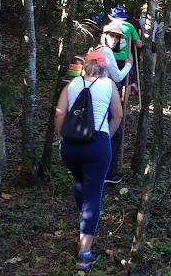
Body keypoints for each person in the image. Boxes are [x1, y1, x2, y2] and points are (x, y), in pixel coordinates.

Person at [55, 50, 123, 272]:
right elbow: (118, 115)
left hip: (71, 146)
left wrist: (61, 140)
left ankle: (83, 218)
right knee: (93, 196)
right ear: (103, 68)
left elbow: (59, 114)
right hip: (97, 145)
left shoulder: (71, 85)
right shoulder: (109, 85)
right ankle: (84, 254)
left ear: (85, 66)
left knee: (79, 180)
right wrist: (106, 137)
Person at [95, 20, 133, 184]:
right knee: (114, 133)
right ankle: (108, 173)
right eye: (112, 36)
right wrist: (128, 66)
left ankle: (100, 170)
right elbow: (117, 76)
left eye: (117, 37)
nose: (115, 39)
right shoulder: (106, 51)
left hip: (96, 96)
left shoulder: (96, 50)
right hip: (104, 96)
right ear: (105, 36)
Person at [107, 6, 142, 95]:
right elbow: (139, 44)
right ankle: (124, 101)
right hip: (126, 58)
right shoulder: (129, 26)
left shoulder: (109, 27)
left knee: (112, 81)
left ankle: (113, 99)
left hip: (111, 58)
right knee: (127, 83)